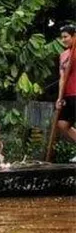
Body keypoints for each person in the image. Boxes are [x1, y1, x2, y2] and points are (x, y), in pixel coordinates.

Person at [54, 24, 76, 162]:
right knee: (62, 124)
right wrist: (59, 97)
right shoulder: (63, 55)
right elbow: (62, 78)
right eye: (62, 37)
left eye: (66, 37)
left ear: (74, 36)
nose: (63, 40)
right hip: (68, 94)